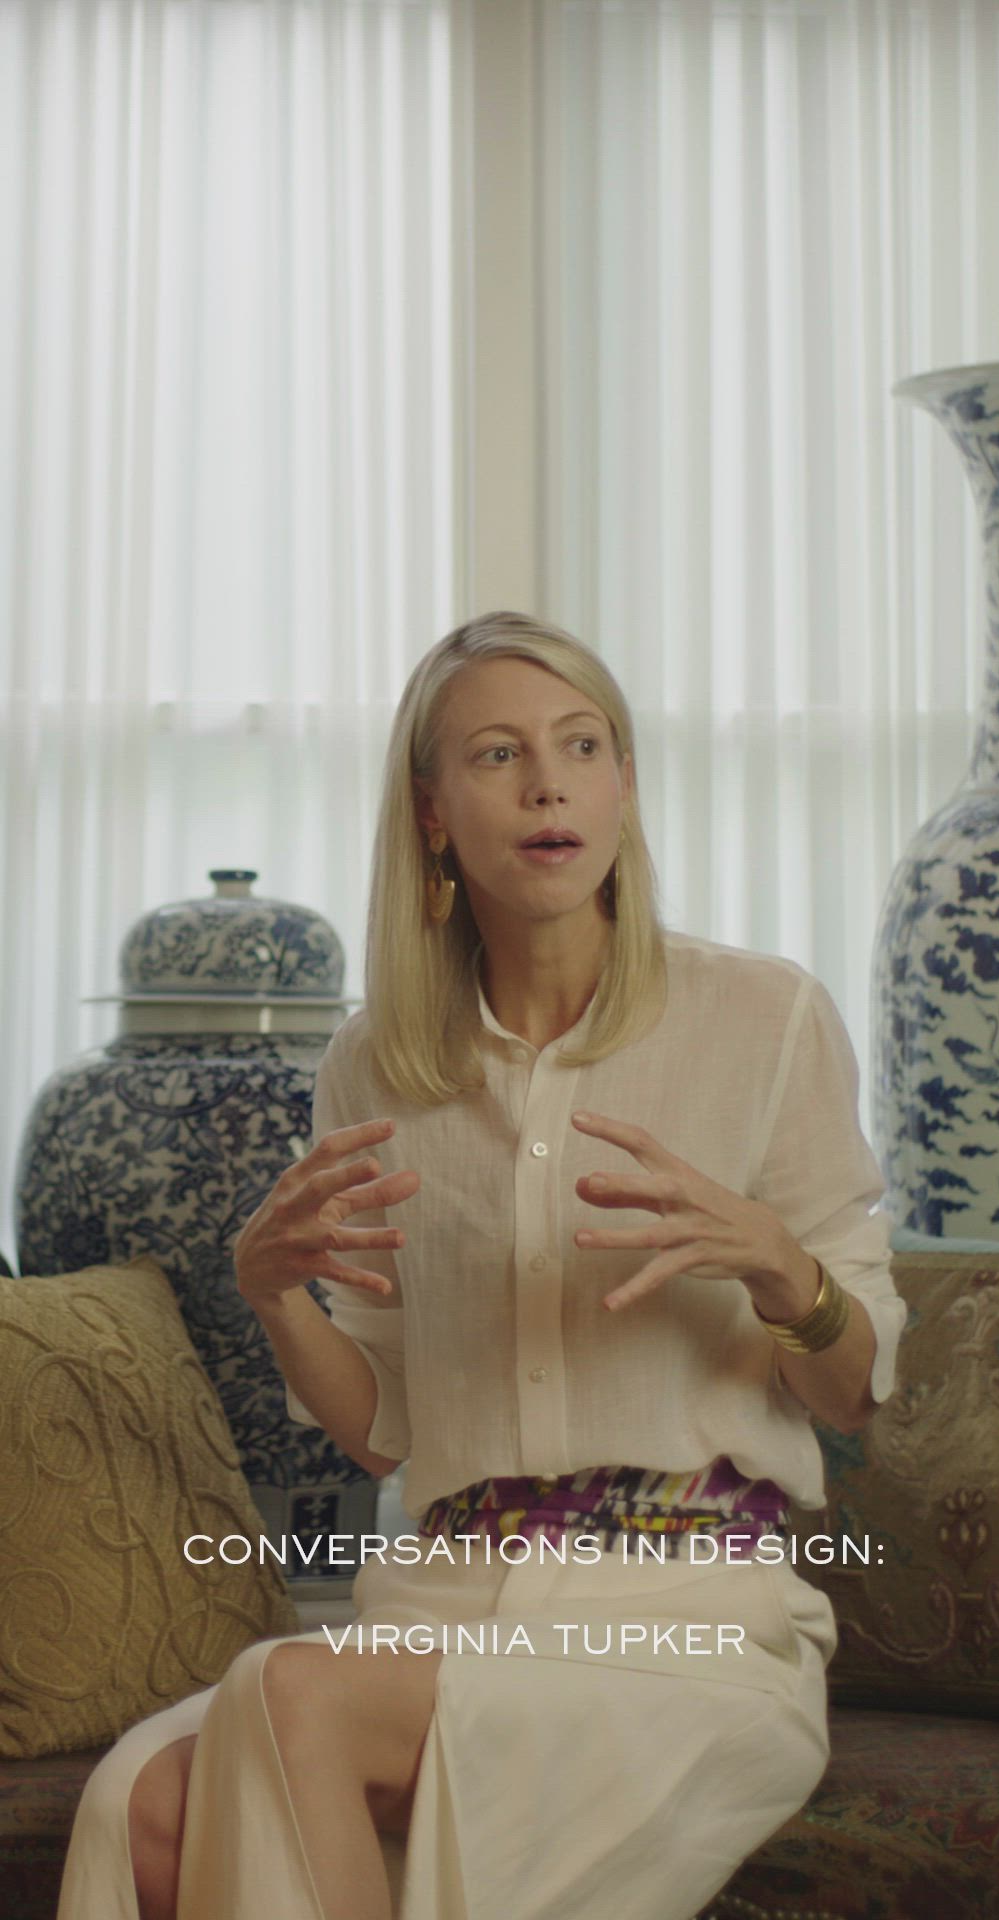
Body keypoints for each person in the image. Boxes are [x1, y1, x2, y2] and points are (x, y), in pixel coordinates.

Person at [57, 610, 906, 1920]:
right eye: (499, 754)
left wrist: (784, 1265)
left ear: (622, 785)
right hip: (442, 1604)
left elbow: (856, 1391)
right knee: (140, 1800)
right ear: (435, 811)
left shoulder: (766, 1016)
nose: (549, 782)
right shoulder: (372, 1064)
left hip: (683, 1618)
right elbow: (388, 1429)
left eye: (581, 746)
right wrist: (272, 1292)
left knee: (286, 1695)